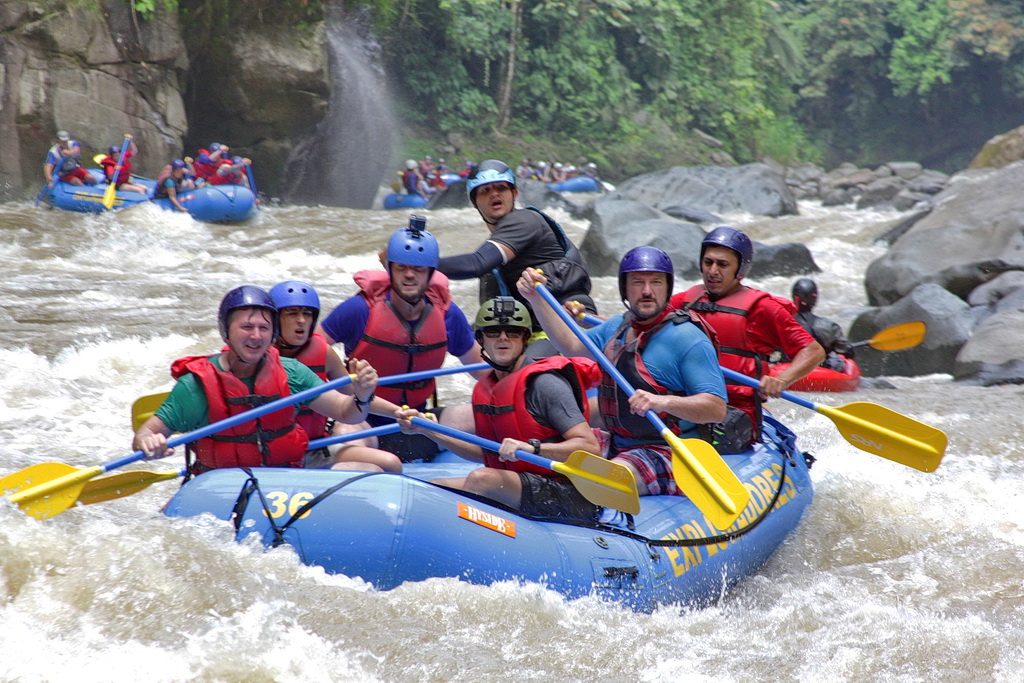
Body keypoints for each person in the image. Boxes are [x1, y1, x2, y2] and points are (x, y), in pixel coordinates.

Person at [518, 247, 728, 497]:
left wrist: (662, 401)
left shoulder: (688, 338)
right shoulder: (617, 327)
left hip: (670, 450)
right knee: (539, 452)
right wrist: (535, 298)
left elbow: (716, 408)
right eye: (638, 282)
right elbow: (570, 345)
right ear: (625, 289)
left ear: (668, 288)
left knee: (603, 478)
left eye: (656, 282)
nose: (647, 291)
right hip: (617, 440)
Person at [132, 286, 384, 476]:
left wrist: (362, 395)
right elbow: (146, 434)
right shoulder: (197, 385)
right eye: (246, 327)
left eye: (264, 328)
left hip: (284, 479)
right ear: (226, 332)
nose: (256, 336)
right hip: (225, 485)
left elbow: (346, 412)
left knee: (371, 471)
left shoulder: (292, 373)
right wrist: (147, 442)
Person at [397, 297, 603, 520]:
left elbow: (590, 447)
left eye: (512, 332)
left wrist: (532, 448)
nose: (503, 338)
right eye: (493, 332)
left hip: (568, 493)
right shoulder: (487, 388)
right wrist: (430, 431)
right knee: (435, 488)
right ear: (481, 340)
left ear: (525, 339)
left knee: (482, 480)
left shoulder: (545, 384)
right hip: (521, 483)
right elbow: (484, 454)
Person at [316, 218, 485, 462]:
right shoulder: (359, 309)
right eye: (401, 268)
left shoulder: (448, 314)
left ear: (430, 274)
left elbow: (483, 368)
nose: (409, 275)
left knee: (486, 415)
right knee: (343, 435)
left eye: (418, 269)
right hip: (367, 423)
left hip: (423, 421)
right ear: (390, 270)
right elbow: (312, 350)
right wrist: (342, 381)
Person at [669, 227, 825, 438]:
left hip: (734, 415)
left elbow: (813, 351)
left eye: (723, 264)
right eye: (708, 262)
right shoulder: (685, 301)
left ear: (740, 270)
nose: (713, 271)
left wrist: (781, 380)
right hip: (685, 405)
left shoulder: (762, 309)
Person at [435, 159, 596, 358]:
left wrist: (415, 263)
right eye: (485, 190)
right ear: (474, 202)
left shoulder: (525, 220)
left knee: (529, 373)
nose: (494, 194)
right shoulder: (494, 259)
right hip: (528, 333)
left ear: (514, 194)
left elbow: (476, 264)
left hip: (567, 324)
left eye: (501, 188)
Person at [270, 280, 402, 472]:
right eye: (292, 313)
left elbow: (353, 394)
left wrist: (398, 412)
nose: (301, 320)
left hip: (316, 448)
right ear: (275, 319)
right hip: (277, 454)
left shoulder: (323, 352)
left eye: (307, 314)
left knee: (390, 463)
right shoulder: (259, 357)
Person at [789, 278, 854, 372]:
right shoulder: (827, 326)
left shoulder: (781, 323)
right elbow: (847, 351)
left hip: (788, 368)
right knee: (837, 361)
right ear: (814, 298)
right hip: (819, 369)